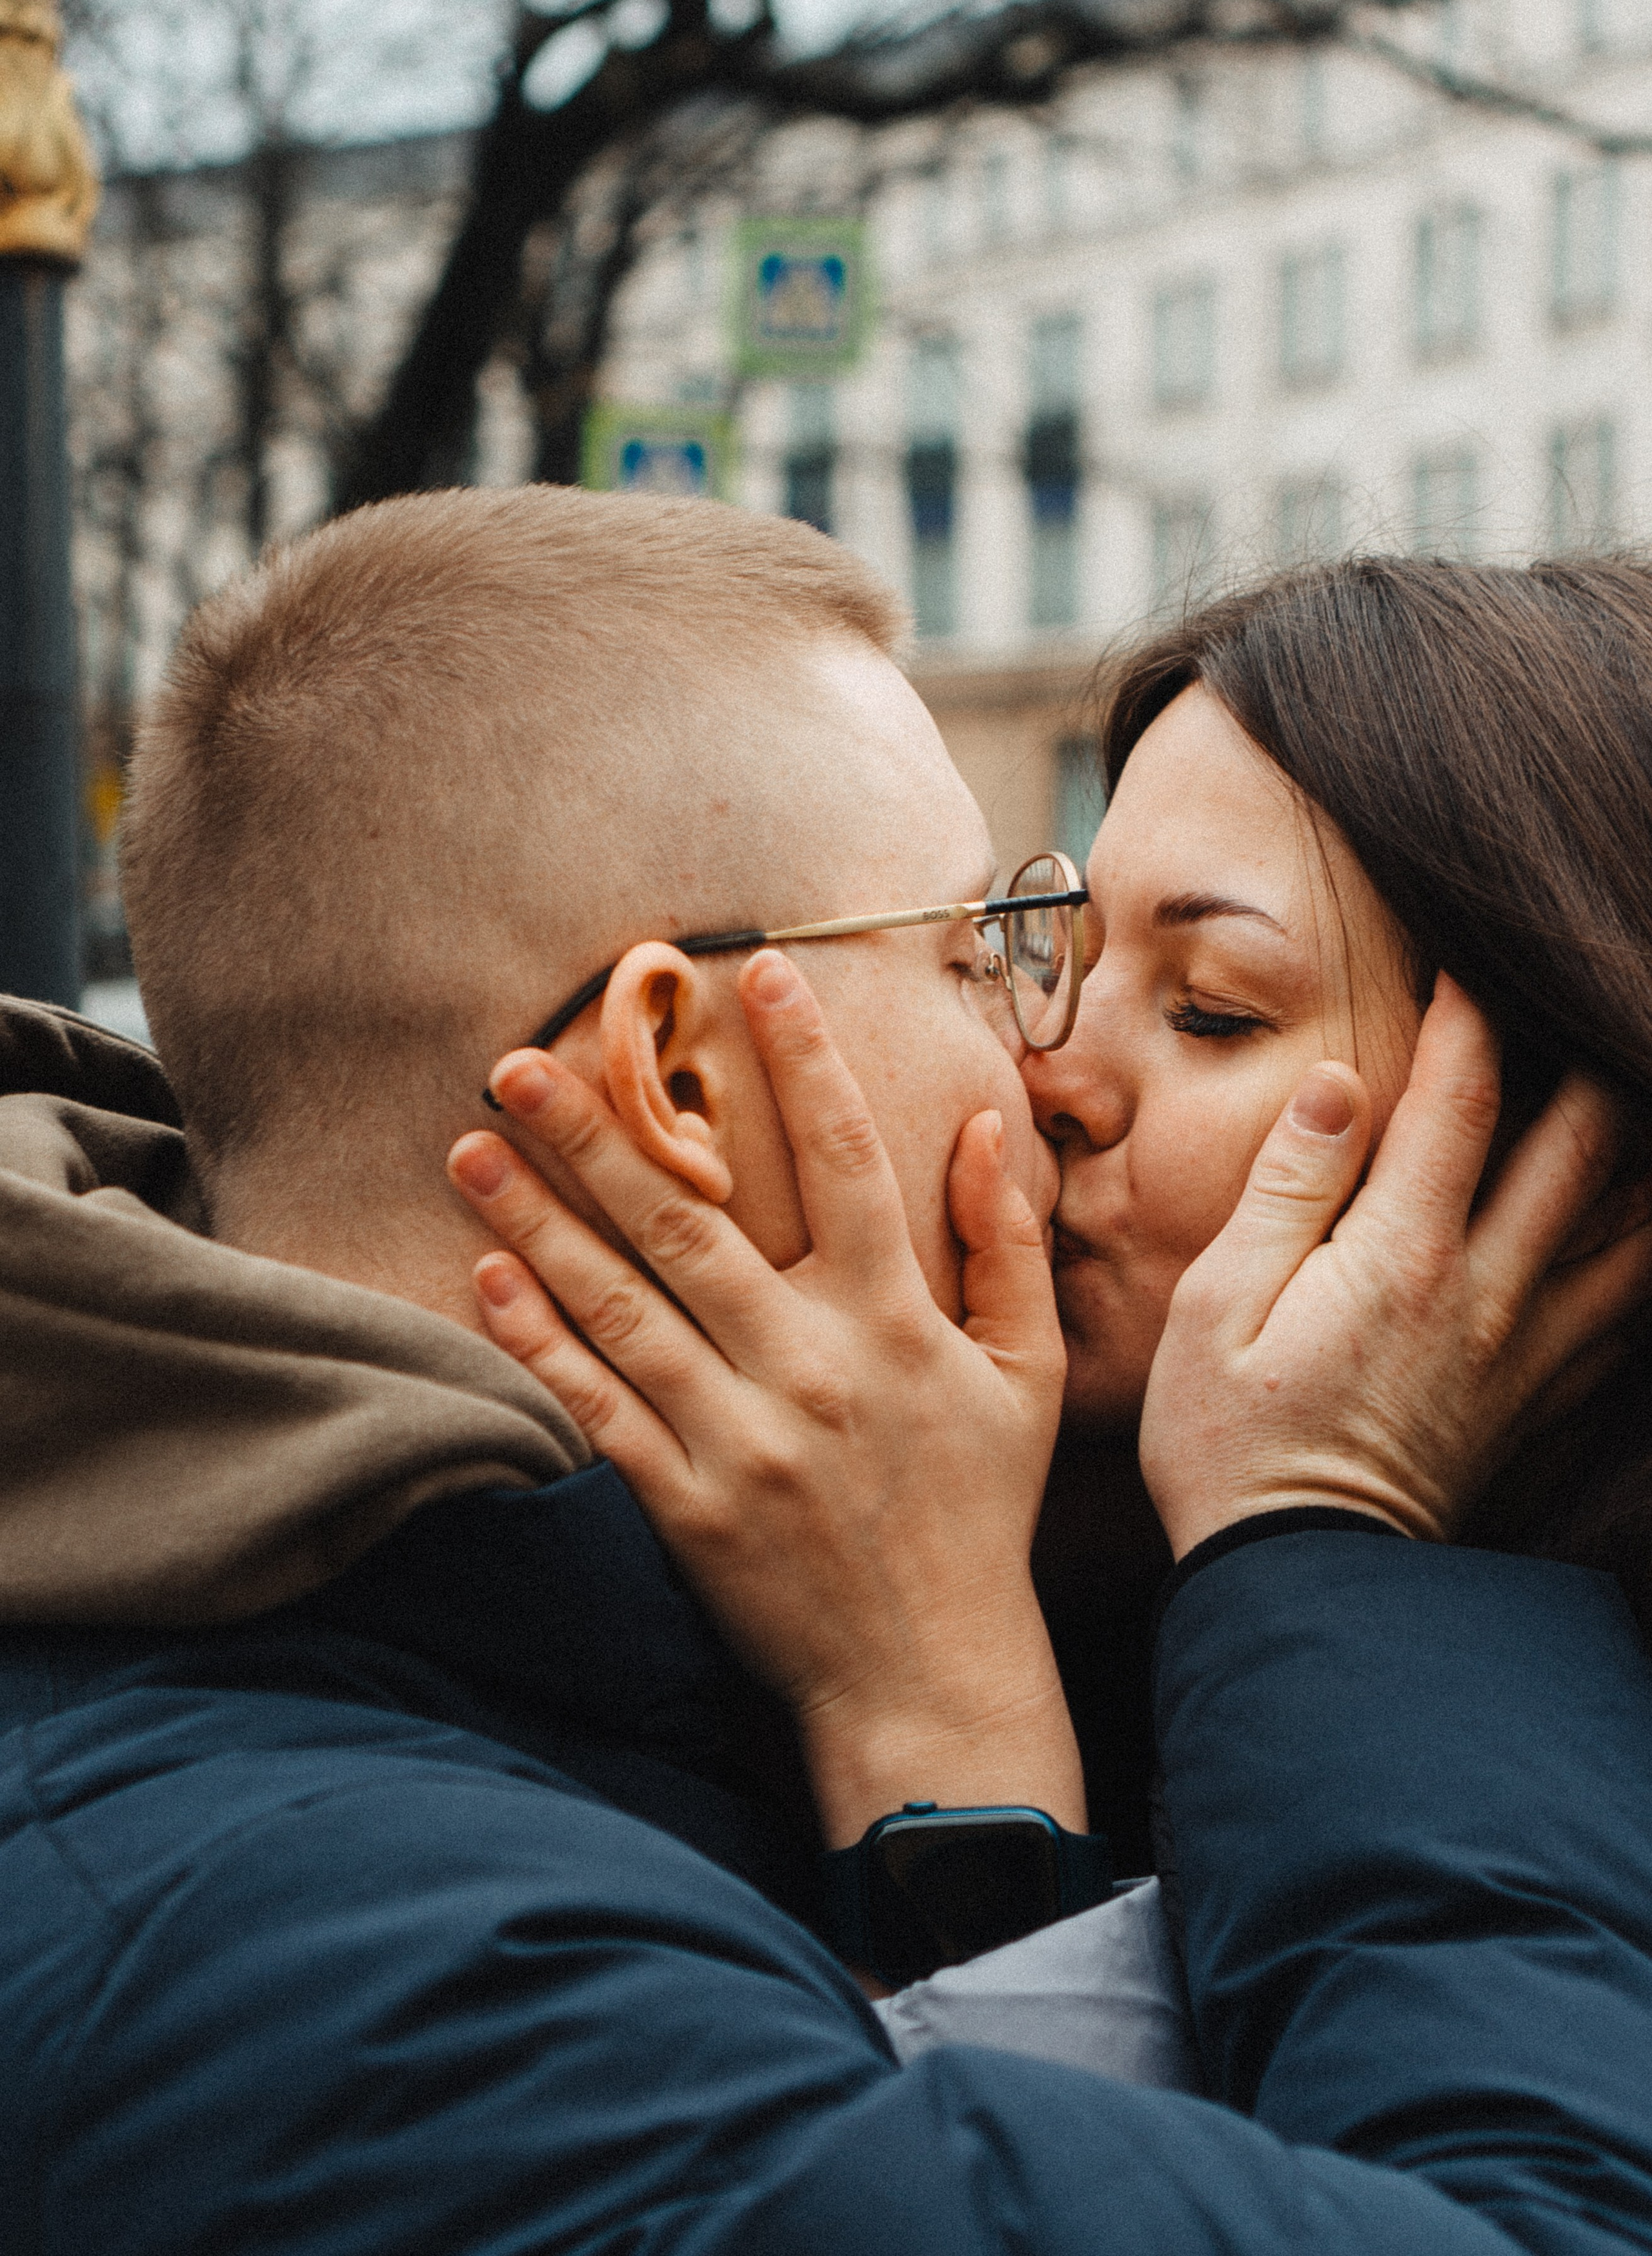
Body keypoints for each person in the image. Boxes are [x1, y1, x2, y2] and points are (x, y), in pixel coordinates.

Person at [3, 494, 1652, 2256]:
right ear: (682, 1079)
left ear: (1574, 1160)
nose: (1046, 1068)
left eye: (1216, 1009)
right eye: (990, 958)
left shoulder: (761, 1640)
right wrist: (1285, 1564)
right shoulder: (362, 1951)